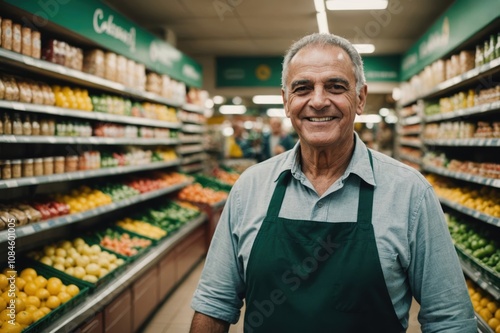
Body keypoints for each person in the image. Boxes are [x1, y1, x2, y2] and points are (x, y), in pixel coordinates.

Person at [190, 33, 476, 333]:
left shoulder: (410, 193)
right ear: (286, 101)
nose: (318, 101)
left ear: (360, 98)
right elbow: (214, 305)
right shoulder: (249, 188)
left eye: (335, 87)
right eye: (302, 88)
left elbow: (450, 320)